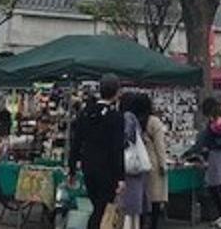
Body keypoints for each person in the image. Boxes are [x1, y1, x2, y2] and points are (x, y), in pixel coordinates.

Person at [68, 73, 125, 229]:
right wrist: (121, 176)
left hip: (88, 167)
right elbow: (117, 148)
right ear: (117, 92)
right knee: (102, 208)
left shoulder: (85, 113)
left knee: (96, 204)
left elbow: (76, 143)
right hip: (108, 170)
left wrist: (72, 168)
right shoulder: (116, 117)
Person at [184, 102, 221, 228]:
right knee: (219, 186)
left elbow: (202, 142)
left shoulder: (212, 127)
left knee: (217, 187)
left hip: (218, 155)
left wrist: (188, 153)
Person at [131, 93, 168, 229]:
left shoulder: (132, 120)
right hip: (152, 162)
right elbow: (160, 146)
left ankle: (140, 224)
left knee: (141, 197)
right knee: (155, 198)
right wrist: (163, 164)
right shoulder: (153, 121)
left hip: (137, 162)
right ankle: (153, 225)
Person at [119, 93, 150, 229]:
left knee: (127, 208)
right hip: (136, 168)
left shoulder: (126, 117)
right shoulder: (136, 119)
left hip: (128, 166)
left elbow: (126, 138)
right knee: (135, 209)